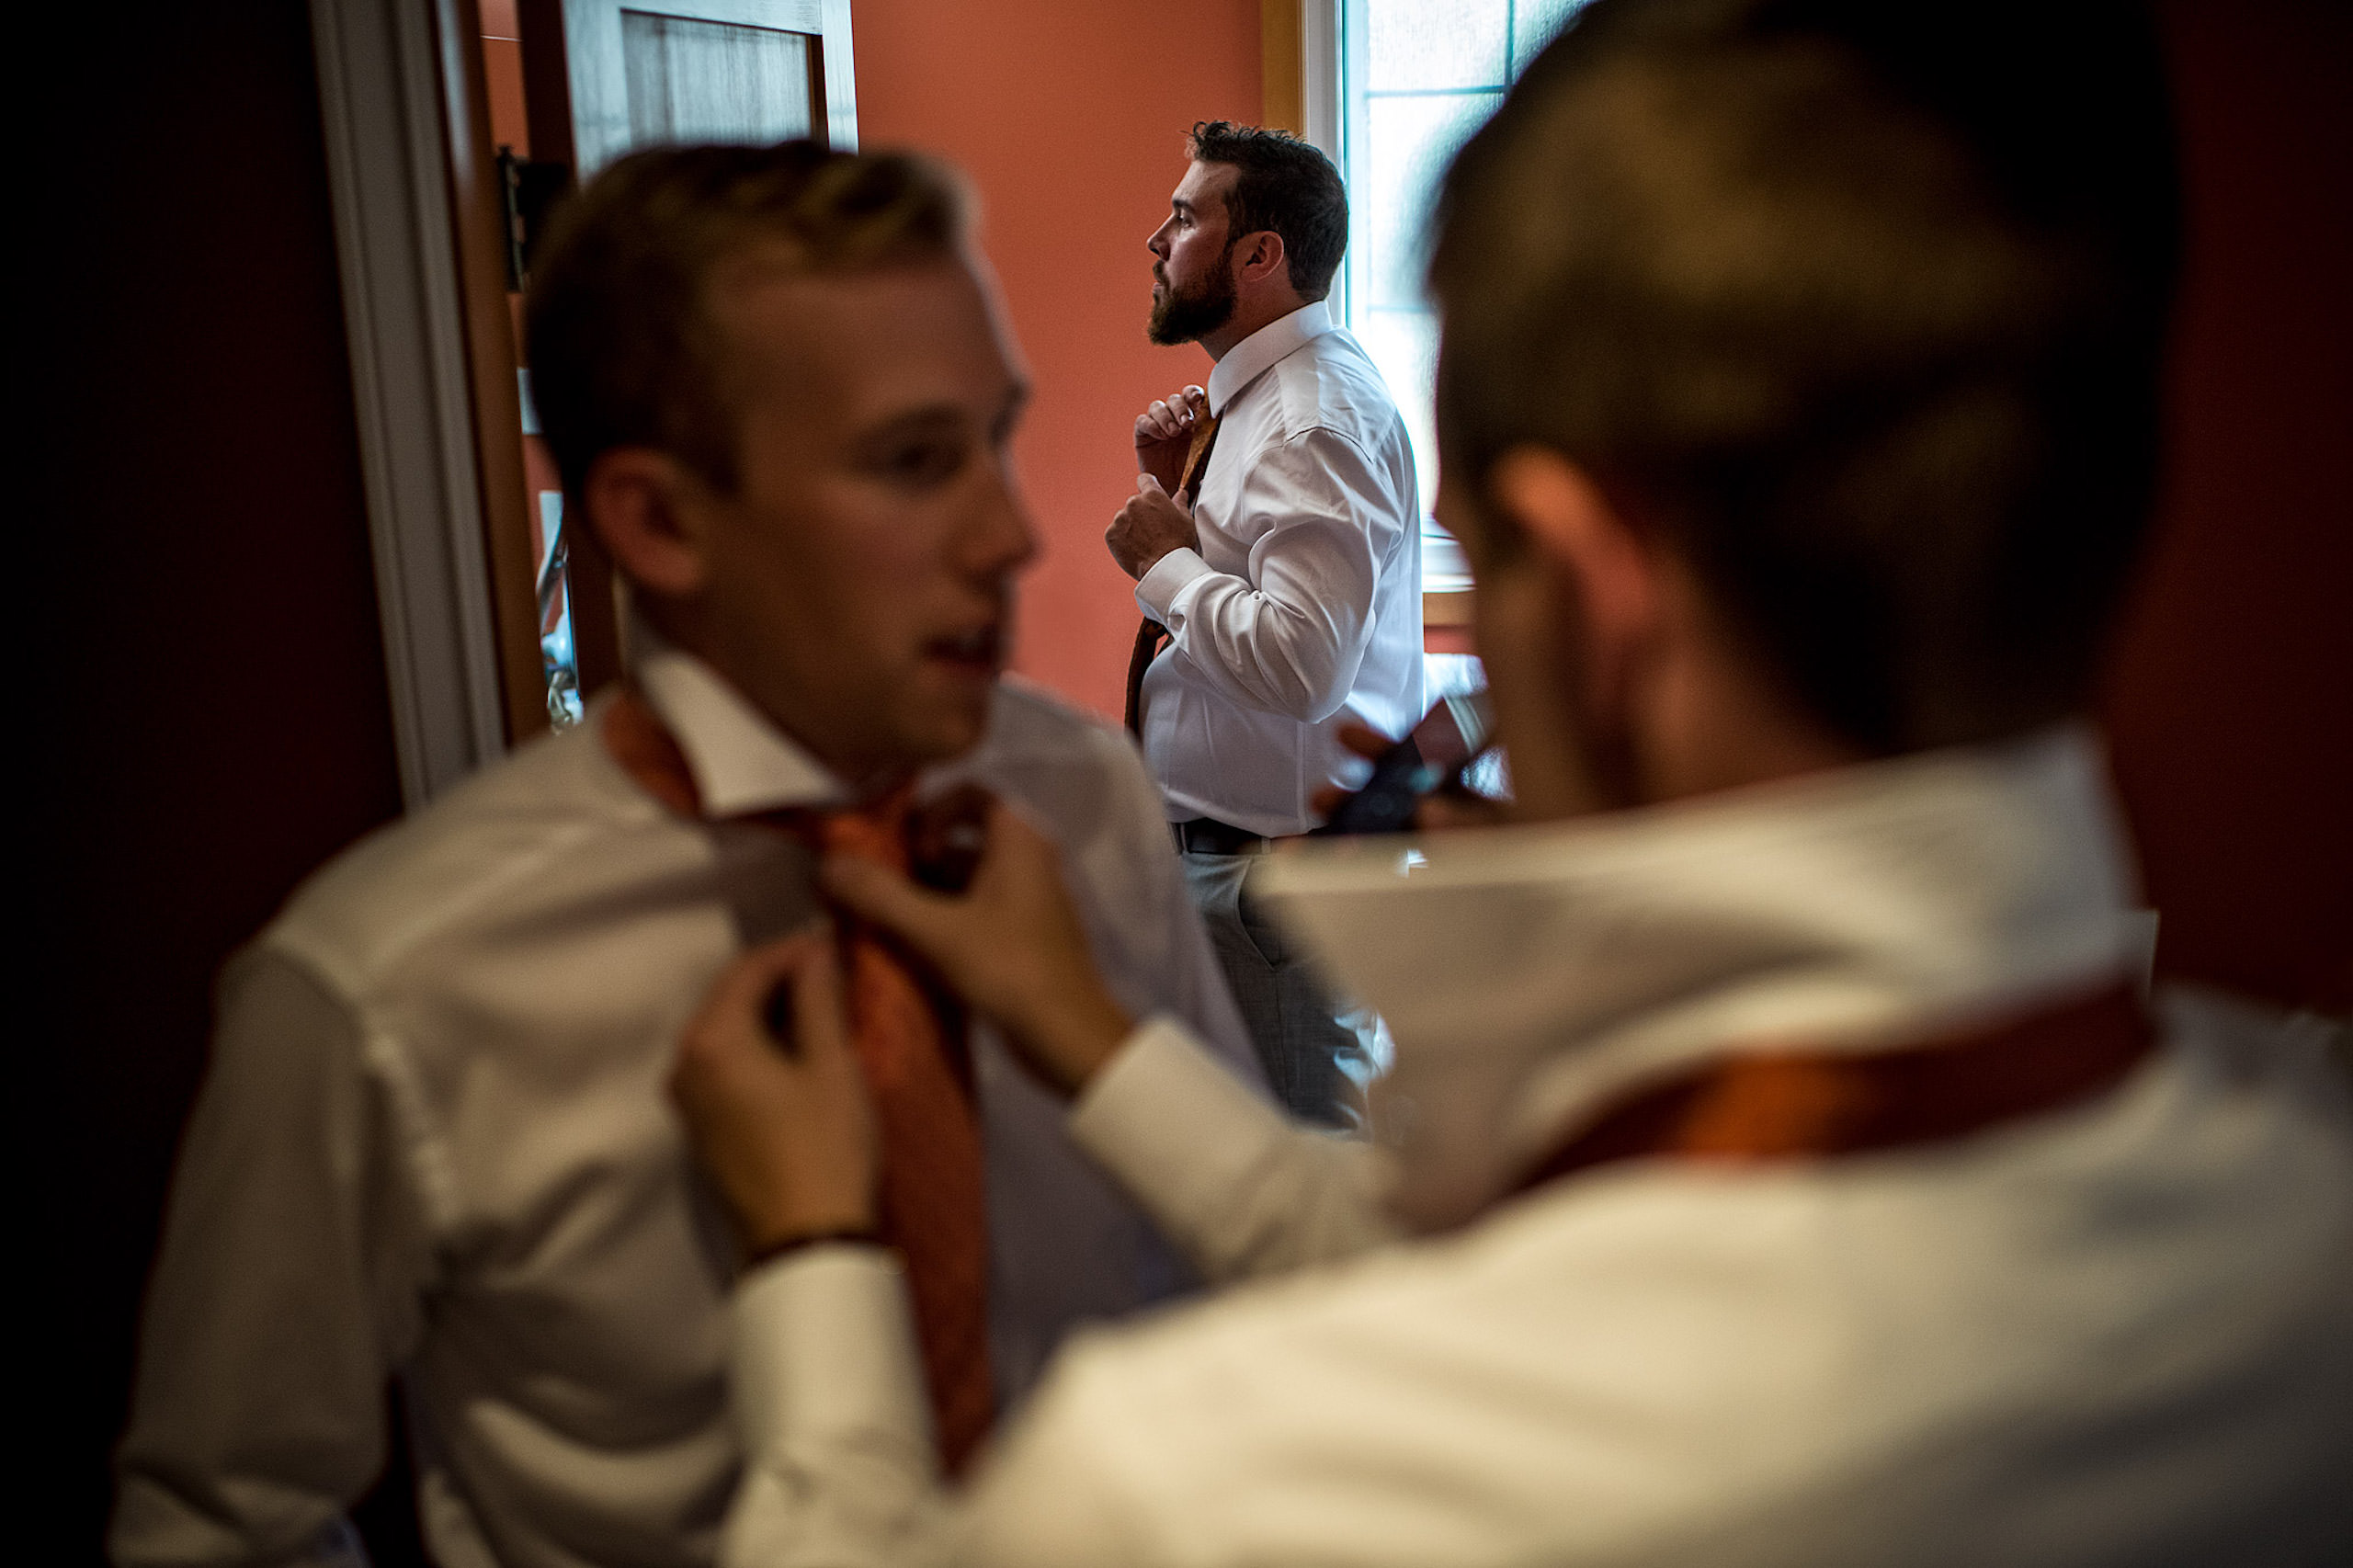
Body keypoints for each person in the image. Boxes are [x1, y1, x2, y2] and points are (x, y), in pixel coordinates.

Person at [668, 4, 2353, 1564]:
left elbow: (1312, 674)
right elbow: (1447, 1258)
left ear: (1588, 585)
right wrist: (1099, 1041)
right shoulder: (2308, 1216)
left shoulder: (1204, 1485)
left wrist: (815, 1271)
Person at [109, 142, 1262, 1568]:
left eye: (991, 438)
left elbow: (1231, 1266)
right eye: (914, 461)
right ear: (658, 520)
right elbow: (223, 1525)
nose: (1009, 534)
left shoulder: (1080, 798)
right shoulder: (379, 988)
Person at [1110, 120, 1426, 1126]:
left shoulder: (1308, 418)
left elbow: (1302, 662)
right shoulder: (1260, 402)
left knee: (1307, 1186)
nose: (1155, 241)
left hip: (1268, 884)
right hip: (1235, 865)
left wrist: (1163, 562)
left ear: (1259, 254)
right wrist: (1182, 506)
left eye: (1183, 216)